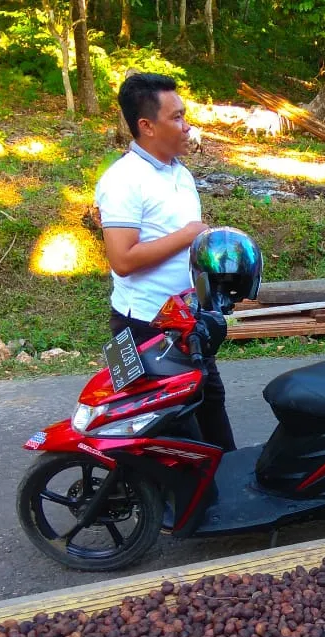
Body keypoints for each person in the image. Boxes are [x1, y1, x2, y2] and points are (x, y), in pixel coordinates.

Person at [94, 72, 235, 450]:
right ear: (147, 126)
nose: (187, 126)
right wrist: (188, 235)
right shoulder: (123, 180)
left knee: (210, 408)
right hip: (143, 325)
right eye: (176, 118)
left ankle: (221, 492)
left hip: (186, 321)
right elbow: (122, 260)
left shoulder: (181, 175)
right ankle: (164, 504)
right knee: (163, 428)